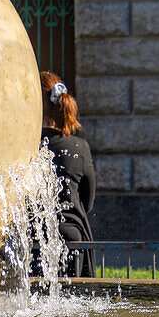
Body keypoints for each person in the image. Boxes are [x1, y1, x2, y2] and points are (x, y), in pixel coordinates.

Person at [38, 72, 95, 277]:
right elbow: (87, 203)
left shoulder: (26, 147)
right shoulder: (79, 147)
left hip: (34, 240)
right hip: (73, 237)